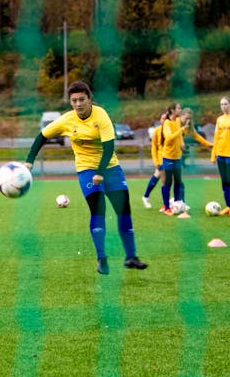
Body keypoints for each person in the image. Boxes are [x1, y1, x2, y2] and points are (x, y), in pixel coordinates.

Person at [25, 80, 147, 274]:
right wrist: (30, 160)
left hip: (111, 168)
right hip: (86, 170)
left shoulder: (101, 115)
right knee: (98, 208)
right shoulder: (67, 119)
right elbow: (42, 136)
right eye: (74, 100)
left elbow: (109, 148)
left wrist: (101, 171)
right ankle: (101, 258)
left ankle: (131, 257)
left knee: (124, 210)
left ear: (90, 99)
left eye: (82, 99)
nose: (78, 104)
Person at [141, 112, 168, 210]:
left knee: (157, 176)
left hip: (169, 159)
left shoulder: (170, 130)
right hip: (161, 160)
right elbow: (153, 148)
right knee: (164, 181)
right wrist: (156, 162)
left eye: (166, 118)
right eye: (162, 118)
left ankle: (146, 196)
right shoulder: (156, 131)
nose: (163, 120)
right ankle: (166, 205)